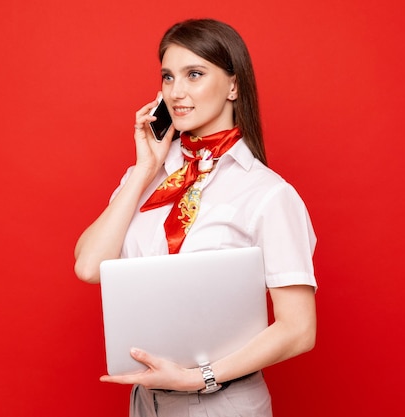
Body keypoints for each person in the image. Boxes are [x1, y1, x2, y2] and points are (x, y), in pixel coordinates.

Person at [74, 18, 317, 417]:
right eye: (168, 77)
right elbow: (88, 266)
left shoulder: (268, 194)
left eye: (195, 74)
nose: (177, 92)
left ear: (234, 86)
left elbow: (299, 329)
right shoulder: (150, 177)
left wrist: (199, 377)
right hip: (145, 402)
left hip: (219, 402)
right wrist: (143, 169)